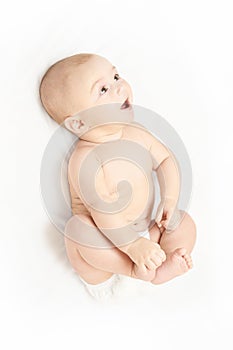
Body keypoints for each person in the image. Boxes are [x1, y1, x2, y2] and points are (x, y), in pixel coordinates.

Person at [39, 53, 196, 299]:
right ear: (79, 124)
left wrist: (169, 199)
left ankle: (161, 268)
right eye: (103, 89)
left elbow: (165, 160)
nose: (119, 86)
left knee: (183, 222)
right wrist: (132, 248)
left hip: (147, 237)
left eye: (116, 76)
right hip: (107, 255)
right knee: (78, 230)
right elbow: (102, 213)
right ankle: (135, 271)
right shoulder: (85, 160)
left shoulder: (137, 133)